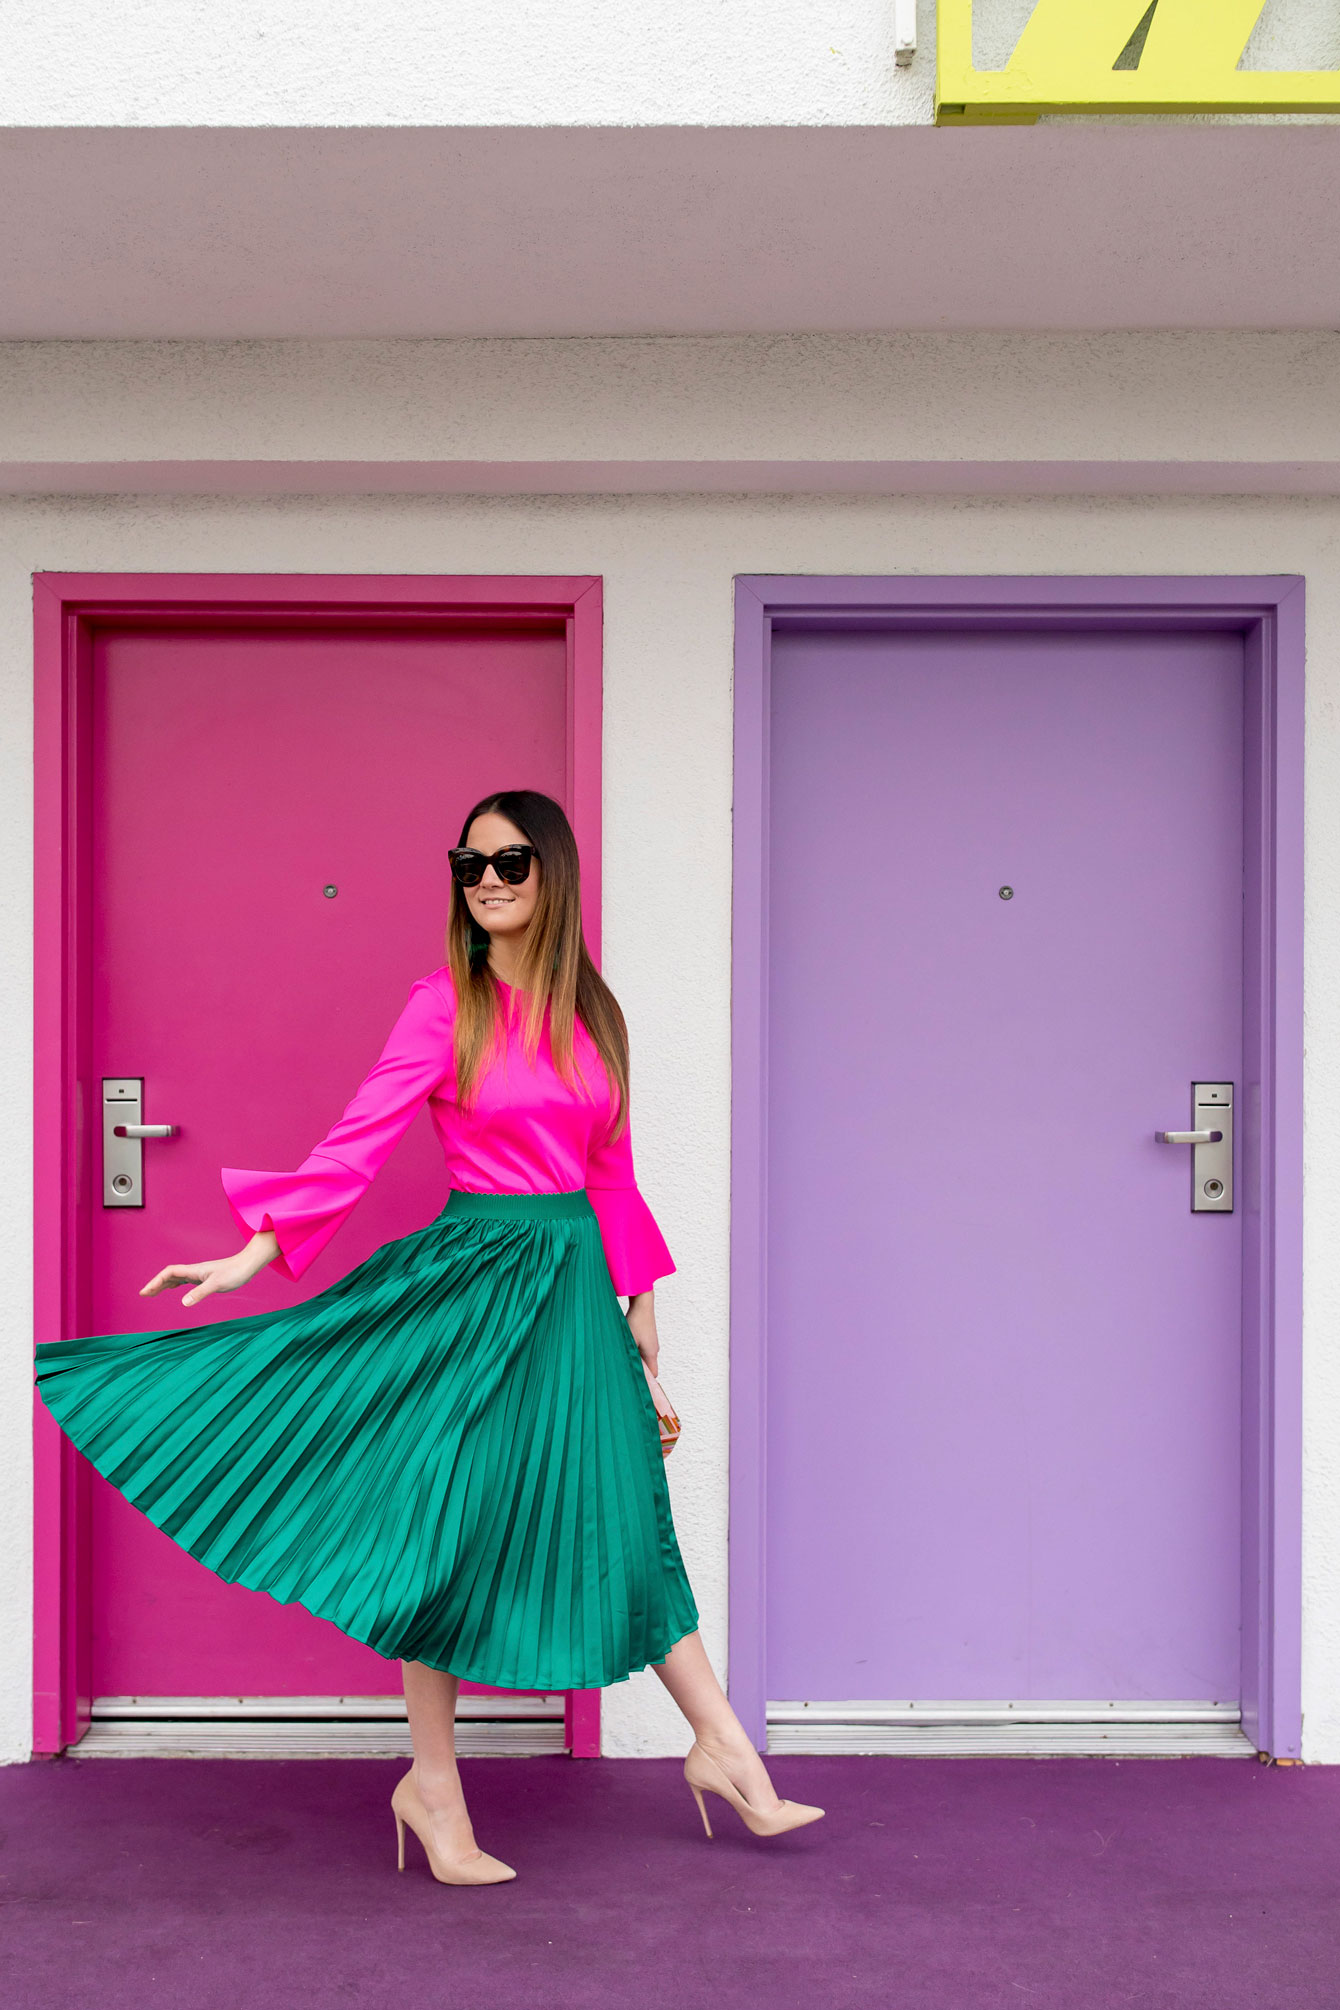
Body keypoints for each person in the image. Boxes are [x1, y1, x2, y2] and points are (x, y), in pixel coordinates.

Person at [36, 788, 822, 1884]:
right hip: (469, 1285)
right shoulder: (440, 1005)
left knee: (623, 1507)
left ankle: (720, 1746)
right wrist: (254, 1252)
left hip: (575, 1290)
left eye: (508, 861)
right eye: (468, 864)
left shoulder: (594, 1013)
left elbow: (610, 1170)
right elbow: (355, 1145)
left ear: (553, 871)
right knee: (442, 1528)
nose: (487, 880)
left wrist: (642, 1299)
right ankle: (435, 1787)